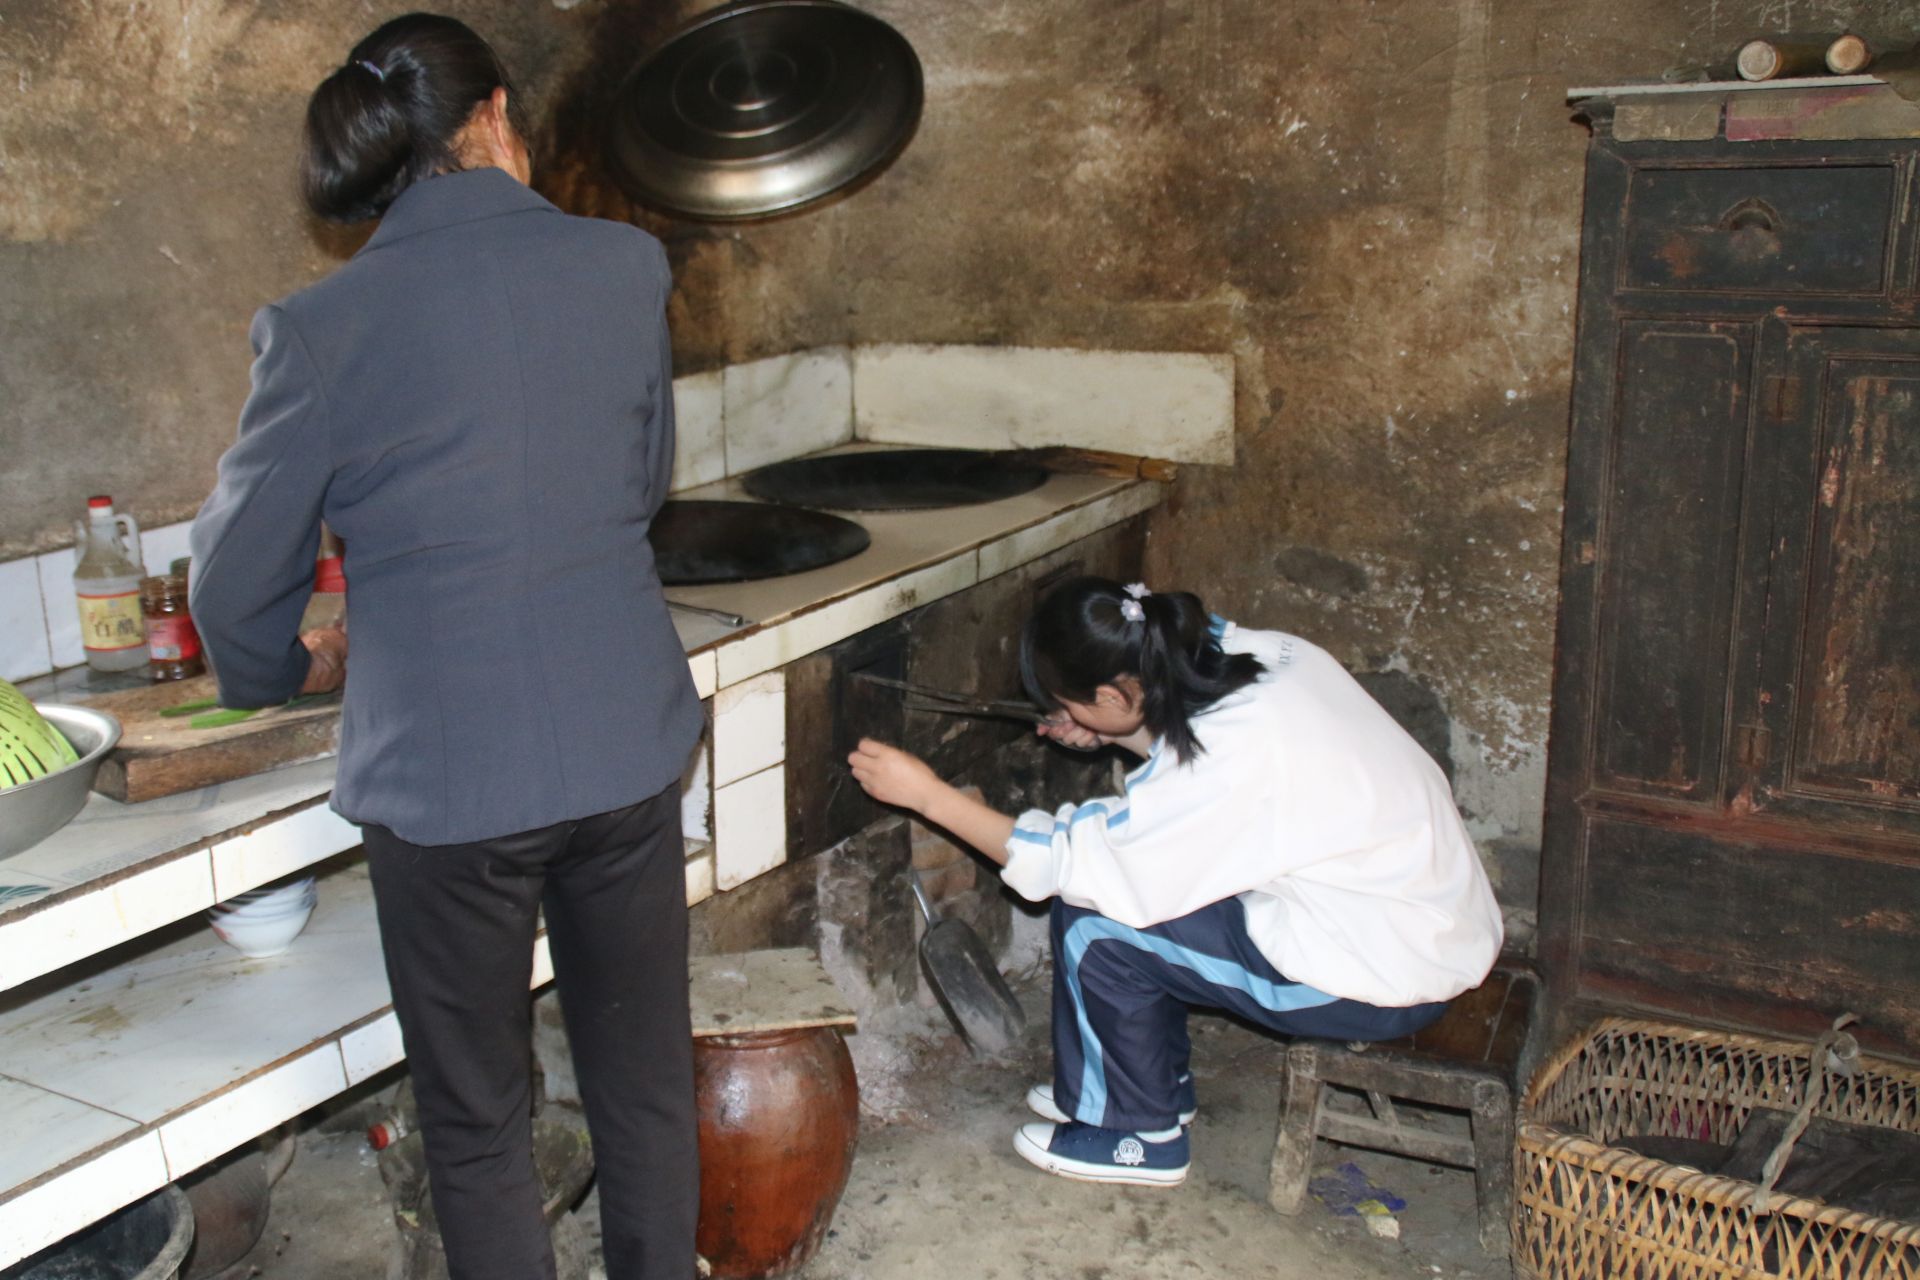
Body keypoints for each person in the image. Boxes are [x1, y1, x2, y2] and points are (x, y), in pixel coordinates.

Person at [188, 14, 703, 1279]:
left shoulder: (319, 326)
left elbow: (234, 585)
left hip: (449, 780)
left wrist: (281, 670)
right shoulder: (624, 264)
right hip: (623, 740)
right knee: (643, 1086)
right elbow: (640, 486)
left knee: (479, 1125)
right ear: (493, 115)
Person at [848, 576, 1503, 1188]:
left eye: (1072, 703)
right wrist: (1113, 729)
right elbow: (1193, 764)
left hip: (1380, 976)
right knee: (1129, 888)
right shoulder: (1259, 655)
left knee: (1094, 920)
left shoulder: (1229, 755)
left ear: (1115, 695)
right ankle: (1148, 1083)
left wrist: (928, 796)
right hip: (1426, 920)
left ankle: (1136, 1134)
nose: (1062, 714)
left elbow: (1069, 861)